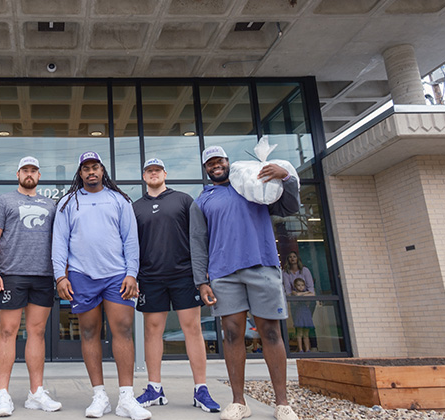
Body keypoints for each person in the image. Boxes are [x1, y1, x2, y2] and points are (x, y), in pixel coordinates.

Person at [190, 145, 301, 420]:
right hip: (224, 274)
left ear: (228, 162)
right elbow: (197, 243)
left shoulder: (253, 185)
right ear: (205, 169)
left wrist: (285, 177)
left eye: (220, 161)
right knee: (231, 334)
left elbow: (289, 207)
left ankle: (282, 403)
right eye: (210, 164)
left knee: (271, 333)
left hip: (261, 265)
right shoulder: (201, 201)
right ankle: (239, 402)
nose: (216, 166)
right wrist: (200, 282)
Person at [52, 151, 151, 420]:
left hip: (117, 275)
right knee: (88, 332)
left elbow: (131, 240)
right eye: (86, 168)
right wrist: (60, 276)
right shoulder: (68, 203)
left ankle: (127, 398)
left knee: (123, 330)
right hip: (82, 275)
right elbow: (59, 242)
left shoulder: (119, 199)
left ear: (102, 170)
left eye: (95, 167)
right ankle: (100, 396)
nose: (91, 172)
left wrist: (132, 273)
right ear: (80, 173)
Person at [131, 158, 220, 413]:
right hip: (150, 277)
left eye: (157, 170)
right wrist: (134, 276)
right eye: (149, 170)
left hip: (184, 275)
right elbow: (132, 246)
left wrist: (202, 276)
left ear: (165, 173)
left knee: (192, 329)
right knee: (152, 332)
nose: (154, 174)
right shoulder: (136, 207)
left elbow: (199, 238)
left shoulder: (184, 200)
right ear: (144, 176)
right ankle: (154, 388)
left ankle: (201, 389)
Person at [0, 156, 62, 417]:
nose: (29, 174)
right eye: (25, 170)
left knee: (37, 333)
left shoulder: (50, 205)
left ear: (39, 176)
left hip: (43, 275)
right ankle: (3, 395)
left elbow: (60, 240)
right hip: (12, 274)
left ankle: (36, 393)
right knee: (7, 331)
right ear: (17, 173)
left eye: (33, 170)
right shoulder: (4, 201)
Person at [290, 278, 315, 352]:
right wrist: (306, 293)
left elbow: (313, 294)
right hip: (299, 312)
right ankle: (300, 349)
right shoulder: (294, 292)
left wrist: (305, 293)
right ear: (295, 286)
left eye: (302, 285)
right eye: (298, 285)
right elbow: (297, 295)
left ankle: (307, 349)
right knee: (299, 332)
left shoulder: (306, 292)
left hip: (306, 312)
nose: (301, 287)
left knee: (306, 333)